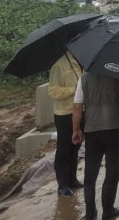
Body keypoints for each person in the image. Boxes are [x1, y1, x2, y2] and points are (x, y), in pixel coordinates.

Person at [71, 71, 119, 220]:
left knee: (90, 175)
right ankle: (108, 211)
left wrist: (76, 129)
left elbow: (77, 106)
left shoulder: (84, 78)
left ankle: (90, 214)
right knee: (112, 171)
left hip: (93, 129)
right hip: (115, 126)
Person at [48, 51, 83, 196]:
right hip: (64, 114)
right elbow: (52, 90)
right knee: (64, 149)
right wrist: (73, 90)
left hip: (79, 111)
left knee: (75, 146)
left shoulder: (81, 62)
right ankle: (62, 185)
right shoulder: (58, 65)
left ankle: (72, 179)